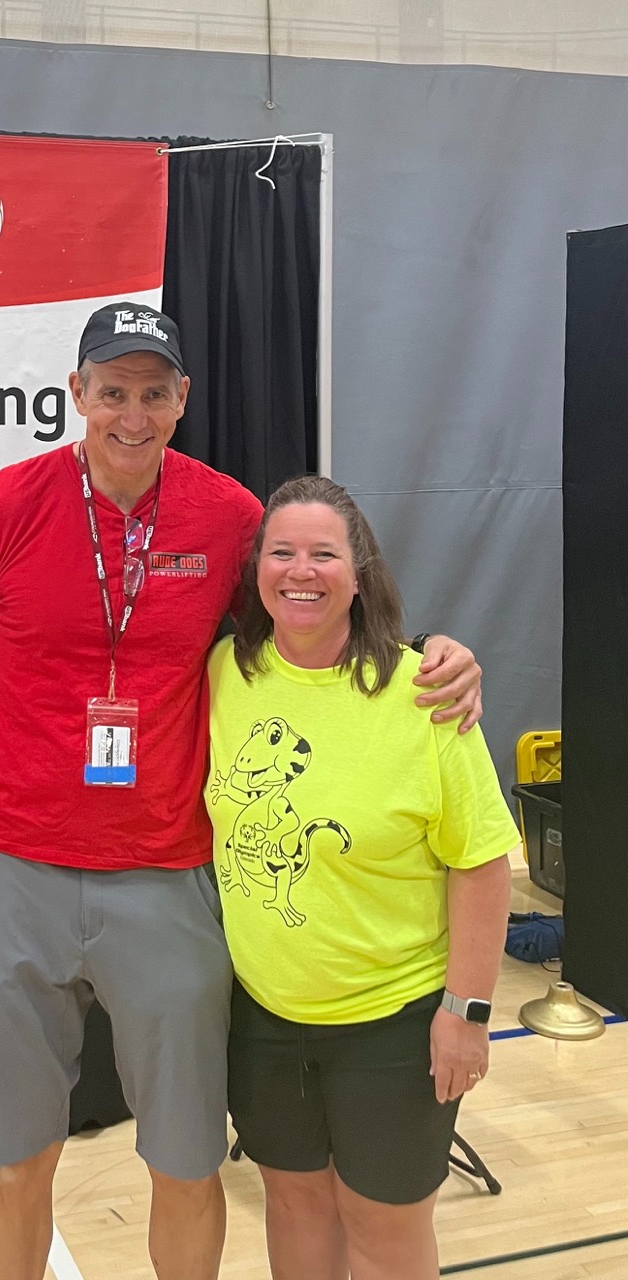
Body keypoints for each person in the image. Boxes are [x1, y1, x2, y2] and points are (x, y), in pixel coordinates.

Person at [0, 302, 483, 1280]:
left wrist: (435, 650)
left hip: (167, 876)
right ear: (77, 395)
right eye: (112, 392)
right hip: (14, 870)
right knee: (14, 1160)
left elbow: (311, 612)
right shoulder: (4, 505)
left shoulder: (229, 517)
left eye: (152, 393)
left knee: (185, 1163)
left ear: (182, 398)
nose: (131, 415)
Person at [205, 475, 518, 1280]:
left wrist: (468, 1013)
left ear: (360, 571)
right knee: (295, 1206)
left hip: (393, 1024)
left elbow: (482, 863)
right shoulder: (224, 675)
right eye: (281, 552)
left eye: (323, 553)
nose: (300, 571)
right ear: (257, 569)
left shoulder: (425, 695)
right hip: (264, 1017)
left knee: (383, 1225)